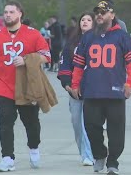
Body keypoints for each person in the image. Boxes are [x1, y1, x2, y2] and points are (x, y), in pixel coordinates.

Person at [0, 1, 51, 172]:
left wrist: (27, 59)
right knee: (5, 122)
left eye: (11, 12)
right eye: (5, 12)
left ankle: (34, 147)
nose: (8, 15)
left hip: (27, 87)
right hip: (4, 88)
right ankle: (7, 158)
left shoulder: (33, 34)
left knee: (31, 123)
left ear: (20, 14)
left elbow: (47, 56)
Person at [71, 0, 131, 175]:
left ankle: (113, 162)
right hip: (92, 91)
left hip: (115, 92)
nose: (99, 15)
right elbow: (78, 64)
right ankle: (99, 154)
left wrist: (130, 83)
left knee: (116, 131)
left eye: (103, 12)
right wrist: (75, 84)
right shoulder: (88, 36)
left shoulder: (122, 36)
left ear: (112, 15)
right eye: (97, 12)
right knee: (91, 127)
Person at [57, 12, 95, 166]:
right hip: (74, 90)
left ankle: (90, 154)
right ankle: (83, 152)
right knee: (76, 122)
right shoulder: (72, 43)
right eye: (82, 19)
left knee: (89, 123)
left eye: (88, 19)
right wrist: (68, 85)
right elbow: (65, 65)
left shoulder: (100, 41)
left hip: (94, 90)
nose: (85, 22)